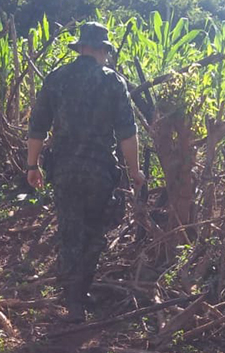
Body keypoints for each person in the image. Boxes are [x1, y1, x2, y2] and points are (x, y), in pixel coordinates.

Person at [26, 22, 145, 322]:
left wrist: (32, 165)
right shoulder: (113, 83)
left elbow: (37, 126)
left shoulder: (57, 78)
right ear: (102, 50)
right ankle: (80, 293)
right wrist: (135, 171)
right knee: (94, 233)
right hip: (100, 170)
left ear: (81, 48)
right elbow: (127, 134)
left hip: (64, 169)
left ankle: (73, 299)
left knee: (69, 232)